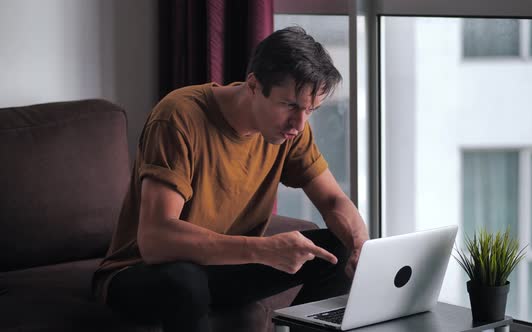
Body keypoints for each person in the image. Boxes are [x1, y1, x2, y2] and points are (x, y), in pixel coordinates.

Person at [93, 26, 369, 332]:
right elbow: (156, 239)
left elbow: (333, 200)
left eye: (310, 109)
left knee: (336, 252)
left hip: (221, 268)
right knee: (185, 279)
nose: (298, 123)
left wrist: (360, 247)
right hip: (143, 272)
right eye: (289, 105)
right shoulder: (178, 118)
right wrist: (263, 249)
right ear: (253, 85)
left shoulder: (291, 130)